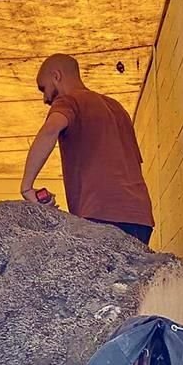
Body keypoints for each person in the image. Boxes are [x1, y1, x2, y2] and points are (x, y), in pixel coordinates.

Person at [20, 53, 155, 244]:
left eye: (44, 88)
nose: (44, 98)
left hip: (101, 214)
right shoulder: (117, 108)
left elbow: (50, 130)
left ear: (56, 76)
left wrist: (26, 186)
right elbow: (134, 161)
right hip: (140, 218)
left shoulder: (69, 101)